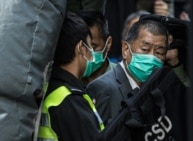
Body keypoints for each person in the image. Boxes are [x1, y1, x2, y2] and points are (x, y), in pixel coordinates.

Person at [86, 19, 168, 125]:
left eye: (159, 52)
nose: (151, 58)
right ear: (125, 49)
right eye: (145, 49)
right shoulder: (102, 89)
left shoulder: (159, 89)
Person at [38, 12, 104, 141]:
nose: (92, 54)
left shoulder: (49, 87)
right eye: (91, 46)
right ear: (80, 48)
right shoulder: (69, 99)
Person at [77, 10, 116, 87]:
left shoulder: (121, 77)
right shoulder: (69, 79)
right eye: (81, 47)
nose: (85, 53)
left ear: (108, 43)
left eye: (92, 47)